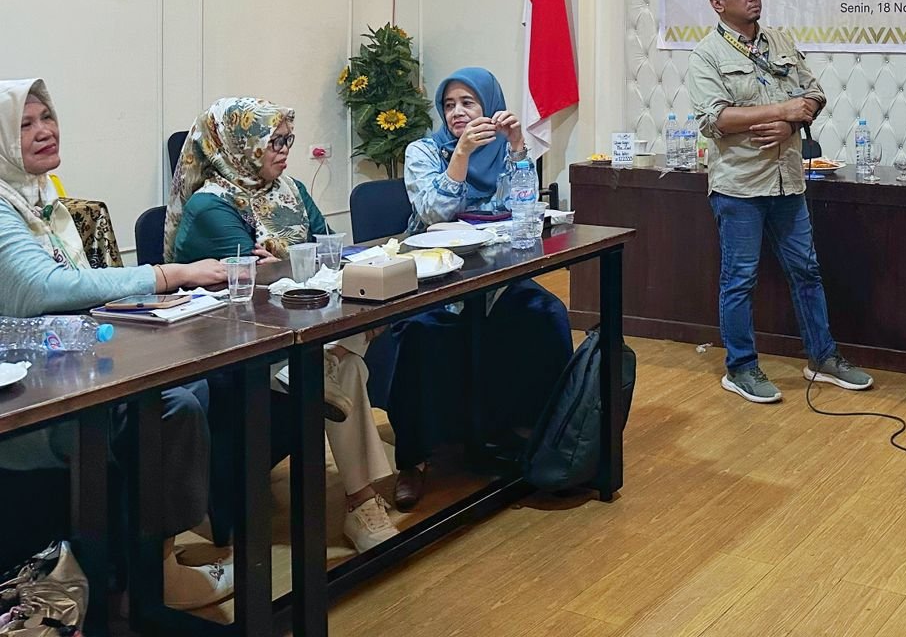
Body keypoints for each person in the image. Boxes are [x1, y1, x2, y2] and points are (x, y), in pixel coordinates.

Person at [0, 79, 234, 610]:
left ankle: (146, 559)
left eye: (47, 117)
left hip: (61, 369)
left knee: (193, 386)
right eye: (24, 124)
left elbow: (76, 296)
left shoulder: (39, 199)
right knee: (171, 406)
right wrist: (168, 275)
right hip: (24, 397)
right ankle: (154, 581)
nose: (44, 130)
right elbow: (43, 289)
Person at [165, 97, 401, 552]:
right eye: (273, 142)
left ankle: (359, 494)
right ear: (240, 145)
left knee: (345, 352)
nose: (284, 151)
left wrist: (288, 262)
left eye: (287, 140)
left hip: (296, 329)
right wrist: (293, 264)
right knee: (344, 364)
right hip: (235, 345)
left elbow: (327, 251)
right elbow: (262, 282)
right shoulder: (210, 206)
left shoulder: (290, 189)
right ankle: (362, 504)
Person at [383, 67, 574, 510]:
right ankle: (414, 459)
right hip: (435, 277)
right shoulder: (423, 151)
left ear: (489, 105)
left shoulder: (504, 149)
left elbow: (523, 206)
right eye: (449, 105)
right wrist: (462, 154)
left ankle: (539, 436)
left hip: (495, 274)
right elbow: (434, 213)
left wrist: (518, 147)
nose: (457, 112)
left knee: (545, 314)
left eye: (468, 103)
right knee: (421, 332)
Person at [685, 0, 873, 403]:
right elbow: (715, 119)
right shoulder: (706, 55)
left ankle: (822, 358)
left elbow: (814, 94)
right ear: (717, 3)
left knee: (807, 271)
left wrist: (792, 123)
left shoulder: (780, 42)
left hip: (788, 181)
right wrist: (781, 110)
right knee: (740, 279)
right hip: (740, 186)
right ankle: (741, 367)